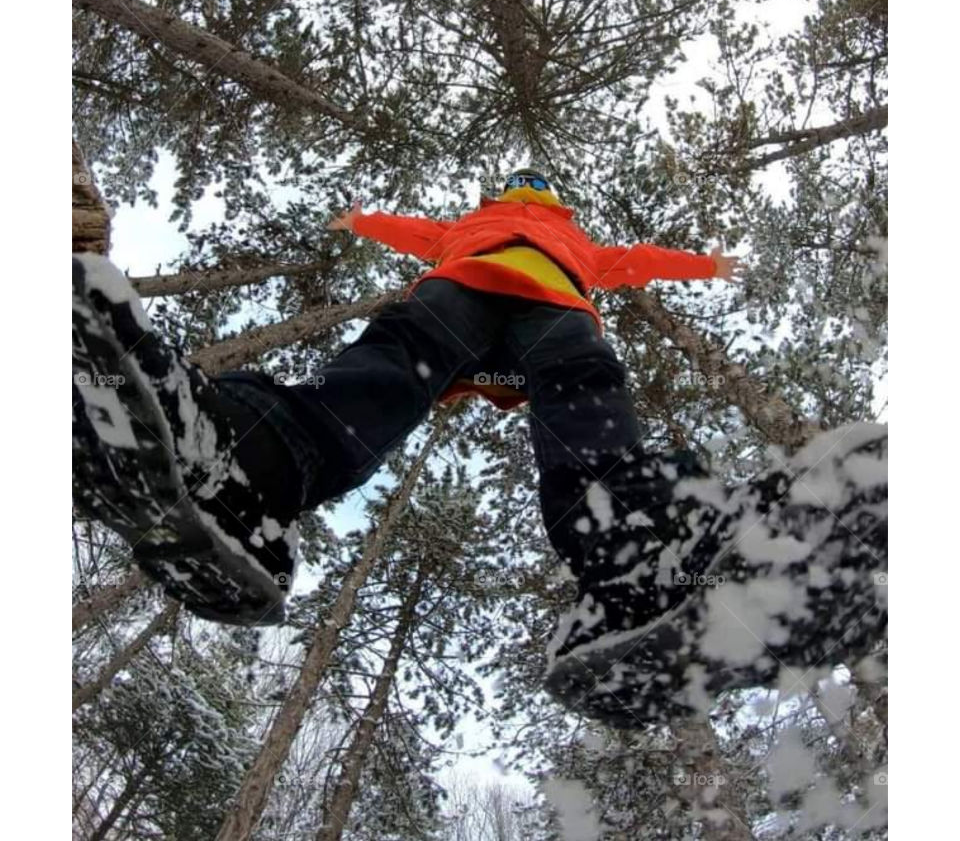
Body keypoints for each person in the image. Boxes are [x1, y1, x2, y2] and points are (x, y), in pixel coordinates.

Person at [73, 169, 886, 725]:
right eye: (526, 193)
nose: (531, 199)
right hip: (470, 291)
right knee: (403, 365)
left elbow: (634, 264)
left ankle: (643, 557)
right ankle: (244, 475)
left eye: (537, 195)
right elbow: (413, 231)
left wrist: (702, 263)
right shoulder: (471, 227)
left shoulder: (569, 242)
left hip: (532, 304)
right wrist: (362, 221)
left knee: (558, 378)